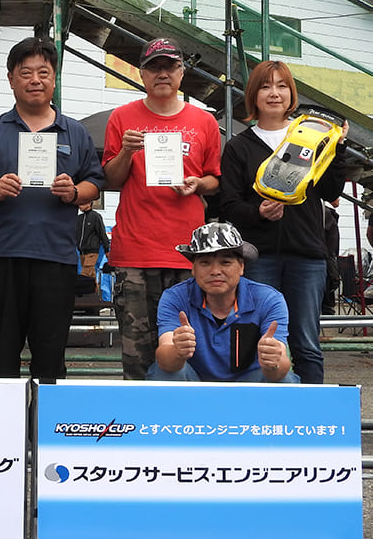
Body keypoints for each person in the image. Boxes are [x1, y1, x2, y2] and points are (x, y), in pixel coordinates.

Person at [0, 36, 104, 380]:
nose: (35, 80)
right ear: (11, 79)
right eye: (25, 73)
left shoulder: (75, 133)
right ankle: (5, 415)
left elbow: (94, 182)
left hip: (55, 257)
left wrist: (74, 192)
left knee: (50, 356)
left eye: (44, 72)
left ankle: (45, 416)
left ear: (54, 78)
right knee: (2, 353)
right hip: (0, 255)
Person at [220, 60, 348, 384]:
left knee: (306, 343)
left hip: (307, 256)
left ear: (291, 94)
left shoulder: (312, 137)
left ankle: (311, 412)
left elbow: (331, 191)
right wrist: (258, 213)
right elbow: (228, 205)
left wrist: (338, 149)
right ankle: (257, 410)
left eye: (281, 86)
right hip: (258, 257)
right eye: (265, 86)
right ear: (253, 95)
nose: (274, 93)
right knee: (257, 340)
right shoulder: (238, 147)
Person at [102, 37, 221, 380]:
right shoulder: (122, 117)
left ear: (182, 72)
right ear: (142, 74)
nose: (163, 73)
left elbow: (215, 179)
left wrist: (198, 184)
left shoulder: (204, 122)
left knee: (191, 354)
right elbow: (111, 179)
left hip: (188, 255)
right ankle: (142, 415)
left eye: (170, 66)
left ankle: (187, 415)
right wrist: (126, 152)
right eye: (154, 67)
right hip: (135, 253)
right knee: (137, 357)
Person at [148, 222, 299, 383]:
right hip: (194, 385)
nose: (215, 271)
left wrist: (273, 361)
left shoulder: (269, 299)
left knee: (285, 379)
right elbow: (164, 360)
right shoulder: (175, 297)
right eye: (205, 263)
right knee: (164, 373)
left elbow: (281, 368)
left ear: (241, 267)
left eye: (225, 262)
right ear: (193, 269)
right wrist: (177, 351)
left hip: (251, 384)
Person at [76, 201, 110, 280]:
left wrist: (107, 249)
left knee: (85, 274)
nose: (80, 205)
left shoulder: (95, 217)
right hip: (82, 252)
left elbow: (102, 233)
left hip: (92, 251)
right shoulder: (79, 218)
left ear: (89, 203)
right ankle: (95, 287)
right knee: (91, 276)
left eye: (82, 203)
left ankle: (84, 287)